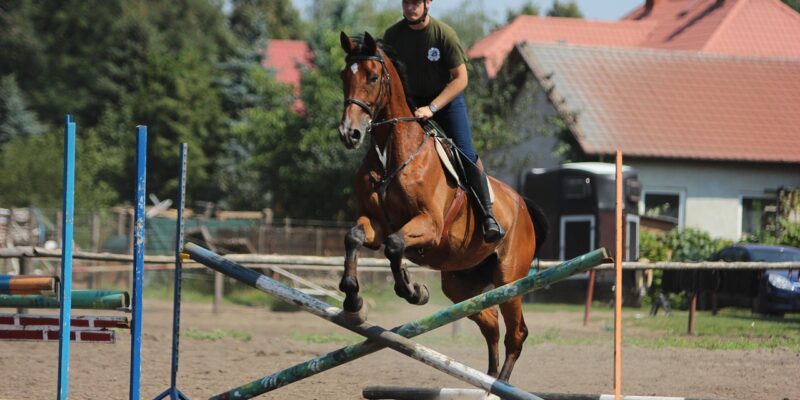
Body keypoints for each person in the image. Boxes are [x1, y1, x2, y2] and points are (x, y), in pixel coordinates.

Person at [383, 0, 505, 243]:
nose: (410, 8)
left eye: (416, 2)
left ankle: (487, 216)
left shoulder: (444, 34)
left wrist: (433, 107)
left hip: (447, 102)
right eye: (406, 3)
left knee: (465, 153)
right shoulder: (393, 35)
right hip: (411, 102)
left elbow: (461, 79)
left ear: (428, 3)